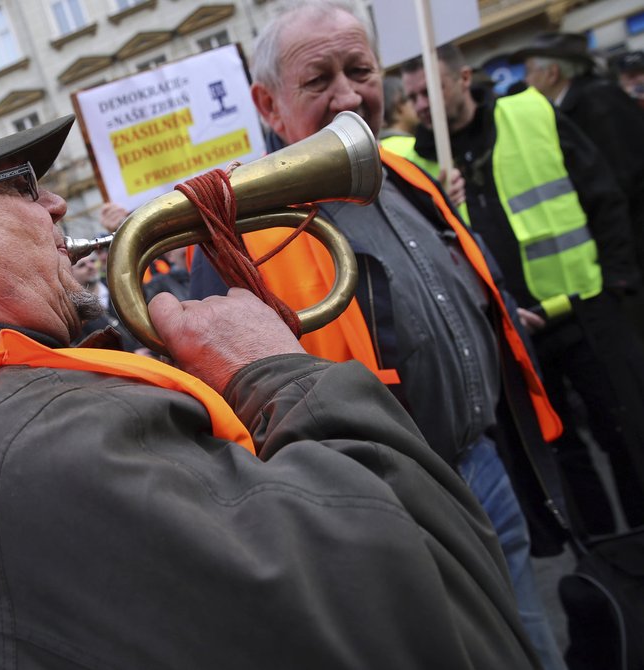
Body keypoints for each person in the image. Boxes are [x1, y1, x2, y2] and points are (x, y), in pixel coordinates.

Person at [0, 99, 547, 668]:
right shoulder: (52, 440)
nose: (54, 205)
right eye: (19, 186)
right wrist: (280, 374)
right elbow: (433, 617)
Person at [189, 3, 567, 668]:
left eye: (360, 70)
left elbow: (456, 279)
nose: (347, 95)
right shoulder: (234, 234)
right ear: (266, 104)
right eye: (318, 79)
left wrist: (494, 309)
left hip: (486, 468)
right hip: (391, 509)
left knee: (532, 643)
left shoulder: (410, 175)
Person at [400, 42, 644, 538]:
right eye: (413, 97)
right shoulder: (413, 164)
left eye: (431, 89)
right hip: (512, 335)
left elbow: (602, 195)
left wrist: (619, 281)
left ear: (463, 78)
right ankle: (605, 562)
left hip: (585, 311)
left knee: (625, 435)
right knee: (562, 458)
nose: (422, 104)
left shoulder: (529, 114)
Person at [510, 34, 644, 284]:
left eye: (530, 72)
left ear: (552, 74)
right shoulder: (576, 105)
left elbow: (623, 182)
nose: (526, 81)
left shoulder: (597, 102)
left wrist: (621, 264)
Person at [379, 75, 418, 148]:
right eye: (413, 98)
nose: (420, 105)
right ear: (399, 105)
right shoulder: (417, 148)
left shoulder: (376, 149)